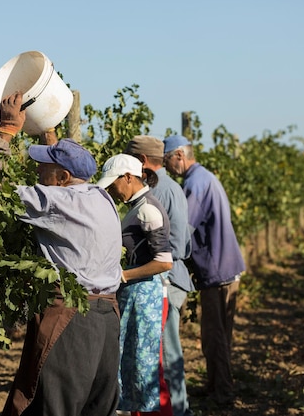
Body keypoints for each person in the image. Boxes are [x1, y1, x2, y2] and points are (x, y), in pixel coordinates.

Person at [0, 92, 124, 416]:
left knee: (54, 407)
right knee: (95, 407)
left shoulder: (59, 202)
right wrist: (47, 129)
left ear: (63, 178)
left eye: (44, 168)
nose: (37, 172)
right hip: (106, 318)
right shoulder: (100, 197)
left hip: (72, 320)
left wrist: (6, 131)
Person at [162, 135, 246, 406]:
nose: (167, 168)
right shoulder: (205, 177)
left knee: (214, 336)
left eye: (167, 161)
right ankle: (215, 386)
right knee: (219, 334)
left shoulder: (195, 184)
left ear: (179, 156)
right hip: (225, 266)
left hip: (216, 269)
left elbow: (184, 228)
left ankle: (223, 393)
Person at [97, 153, 174, 416]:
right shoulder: (137, 206)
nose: (111, 190)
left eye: (113, 183)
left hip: (145, 295)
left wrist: (124, 276)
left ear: (128, 178)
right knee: (130, 363)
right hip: (134, 294)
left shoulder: (148, 209)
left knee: (143, 364)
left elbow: (164, 262)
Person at [124, 136, 194, 416]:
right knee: (166, 355)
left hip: (164, 280)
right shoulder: (171, 187)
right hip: (173, 276)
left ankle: (177, 411)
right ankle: (178, 409)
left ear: (141, 162)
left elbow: (171, 249)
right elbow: (185, 242)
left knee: (162, 356)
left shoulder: (156, 191)